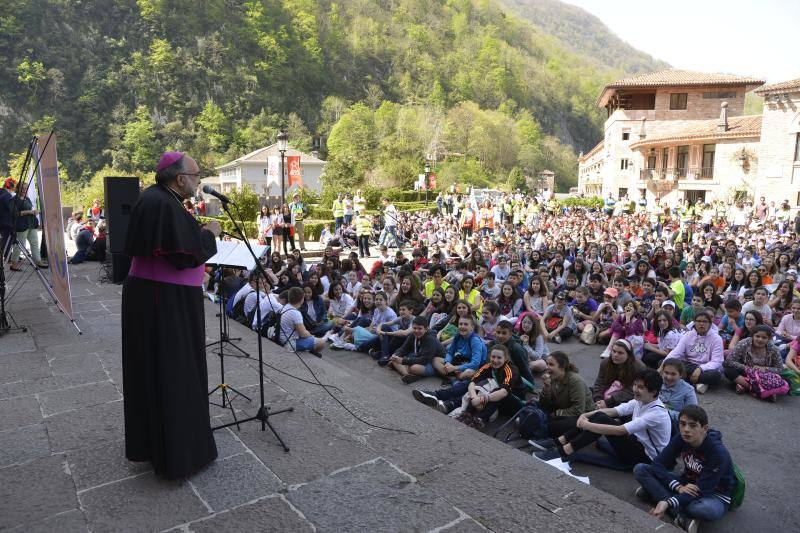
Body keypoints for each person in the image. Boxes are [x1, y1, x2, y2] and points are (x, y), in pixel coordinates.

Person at [122, 151, 222, 479]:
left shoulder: (156, 199)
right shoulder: (164, 204)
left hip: (155, 296)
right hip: (165, 301)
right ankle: (179, 455)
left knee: (156, 372)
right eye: (196, 175)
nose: (198, 181)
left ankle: (156, 446)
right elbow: (185, 255)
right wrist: (210, 232)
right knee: (175, 372)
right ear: (180, 178)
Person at [537, 368, 672, 472]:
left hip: (646, 458)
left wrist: (587, 424)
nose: (636, 389)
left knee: (601, 421)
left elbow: (620, 431)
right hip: (636, 443)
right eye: (635, 385)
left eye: (641, 387)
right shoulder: (641, 400)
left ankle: (564, 451)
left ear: (654, 391)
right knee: (599, 417)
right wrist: (587, 415)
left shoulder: (656, 413)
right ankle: (560, 441)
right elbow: (616, 411)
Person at [633, 405, 736, 532]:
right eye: (682, 424)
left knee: (703, 510)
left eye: (692, 425)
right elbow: (658, 464)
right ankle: (680, 514)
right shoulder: (682, 438)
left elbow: (703, 491)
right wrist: (678, 487)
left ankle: (658, 496)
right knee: (641, 469)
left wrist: (668, 502)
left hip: (714, 494)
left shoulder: (718, 452)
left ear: (705, 429)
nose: (686, 429)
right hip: (686, 484)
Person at [528, 352, 594, 450]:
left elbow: (578, 410)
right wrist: (546, 388)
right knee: (536, 411)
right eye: (547, 364)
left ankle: (550, 439)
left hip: (582, 416)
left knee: (550, 426)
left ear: (562, 367)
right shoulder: (554, 377)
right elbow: (544, 403)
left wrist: (556, 414)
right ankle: (535, 425)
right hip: (563, 409)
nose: (547, 368)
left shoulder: (575, 381)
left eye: (551, 365)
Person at [664, 310, 723, 394]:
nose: (701, 324)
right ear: (694, 322)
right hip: (689, 365)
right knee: (665, 363)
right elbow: (676, 352)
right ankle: (698, 382)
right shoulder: (688, 335)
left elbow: (717, 361)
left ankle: (680, 378)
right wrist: (664, 363)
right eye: (698, 321)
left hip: (707, 368)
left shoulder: (716, 338)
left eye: (705, 321)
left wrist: (700, 368)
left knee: (716, 375)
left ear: (710, 323)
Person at [722, 324, 785, 400]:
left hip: (765, 376)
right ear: (753, 336)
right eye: (757, 336)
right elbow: (729, 361)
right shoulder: (744, 343)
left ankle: (744, 386)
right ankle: (760, 390)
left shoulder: (774, 349)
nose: (760, 339)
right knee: (728, 370)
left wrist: (764, 369)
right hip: (745, 372)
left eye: (764, 337)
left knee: (786, 379)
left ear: (769, 339)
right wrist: (747, 368)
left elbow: (780, 368)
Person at [387, 316, 445, 384]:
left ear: (426, 329)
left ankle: (405, 369)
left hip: (432, 362)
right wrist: (396, 355)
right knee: (395, 359)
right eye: (414, 328)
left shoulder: (430, 339)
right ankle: (407, 375)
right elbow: (403, 349)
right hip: (418, 356)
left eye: (420, 328)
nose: (416, 331)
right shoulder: (413, 334)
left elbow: (424, 360)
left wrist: (403, 361)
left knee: (414, 368)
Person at [8, 182, 47, 270]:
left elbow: (30, 209)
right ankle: (14, 264)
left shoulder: (27, 199)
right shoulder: (13, 200)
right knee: (20, 246)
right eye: (22, 188)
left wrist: (34, 211)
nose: (24, 190)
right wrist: (29, 212)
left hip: (31, 224)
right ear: (17, 189)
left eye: (26, 188)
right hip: (21, 226)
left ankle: (38, 261)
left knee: (34, 243)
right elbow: (15, 213)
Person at [278, 286, 325, 356]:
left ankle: (310, 350)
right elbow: (303, 334)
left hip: (282, 338)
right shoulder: (295, 313)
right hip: (289, 343)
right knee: (321, 342)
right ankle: (311, 355)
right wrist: (311, 335)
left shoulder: (286, 306)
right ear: (302, 299)